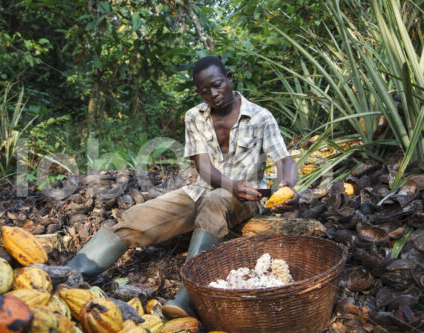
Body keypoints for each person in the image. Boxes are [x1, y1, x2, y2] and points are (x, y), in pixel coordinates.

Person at [66, 56, 299, 318]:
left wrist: (287, 185)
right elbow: (204, 168)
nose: (213, 94)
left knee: (214, 204)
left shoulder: (260, 117)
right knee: (136, 217)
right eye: (204, 91)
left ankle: (188, 299)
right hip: (201, 190)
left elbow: (284, 159)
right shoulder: (194, 117)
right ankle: (72, 271)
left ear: (230, 79)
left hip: (248, 196)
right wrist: (230, 184)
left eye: (217, 85)